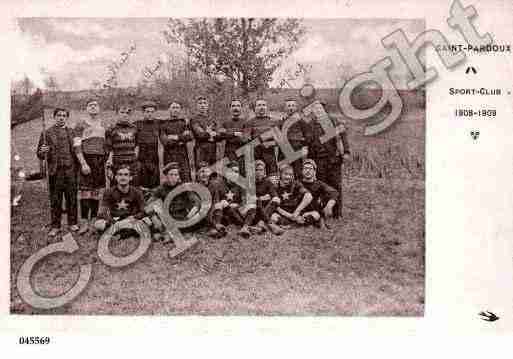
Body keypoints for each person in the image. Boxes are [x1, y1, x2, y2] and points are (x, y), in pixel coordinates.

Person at [37, 107, 79, 237]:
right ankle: (56, 226)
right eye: (59, 115)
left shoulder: (72, 132)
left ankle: (72, 223)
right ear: (54, 117)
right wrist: (43, 151)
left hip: (71, 170)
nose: (61, 117)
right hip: (55, 171)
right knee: (56, 199)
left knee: (72, 197)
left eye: (64, 115)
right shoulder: (47, 133)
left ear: (67, 118)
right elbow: (39, 153)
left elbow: (77, 151)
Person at [305, 100, 350, 218]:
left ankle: (337, 213)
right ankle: (321, 212)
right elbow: (307, 142)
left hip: (333, 159)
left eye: (320, 108)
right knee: (321, 185)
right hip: (318, 160)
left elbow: (343, 136)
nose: (318, 110)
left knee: (336, 185)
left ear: (324, 109)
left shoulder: (334, 121)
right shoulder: (310, 125)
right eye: (315, 109)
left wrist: (346, 152)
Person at [73, 98, 107, 235]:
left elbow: (106, 145)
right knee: (85, 192)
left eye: (95, 105)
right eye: (90, 105)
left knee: (95, 193)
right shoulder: (80, 124)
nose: (93, 107)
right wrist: (83, 163)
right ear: (86, 108)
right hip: (86, 159)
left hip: (99, 161)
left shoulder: (104, 124)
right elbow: (76, 145)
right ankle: (84, 222)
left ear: (99, 108)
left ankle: (93, 220)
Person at [146, 162, 200, 243]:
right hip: (167, 218)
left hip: (182, 217)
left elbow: (196, 201)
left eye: (176, 175)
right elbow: (149, 204)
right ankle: (166, 234)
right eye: (171, 174)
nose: (173, 177)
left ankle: (166, 235)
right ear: (166, 176)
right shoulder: (160, 189)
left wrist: (191, 213)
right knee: (150, 221)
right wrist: (154, 217)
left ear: (178, 176)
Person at [94, 165, 146, 233]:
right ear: (116, 177)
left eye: (126, 175)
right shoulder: (109, 192)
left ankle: (119, 231)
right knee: (98, 224)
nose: (123, 177)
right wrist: (113, 221)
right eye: (120, 174)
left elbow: (143, 211)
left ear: (130, 178)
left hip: (131, 219)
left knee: (147, 221)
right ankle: (125, 231)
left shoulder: (137, 192)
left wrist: (134, 217)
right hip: (115, 220)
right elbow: (102, 212)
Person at [215, 161, 259, 238]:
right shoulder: (219, 184)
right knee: (223, 203)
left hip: (237, 211)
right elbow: (216, 203)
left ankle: (245, 227)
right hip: (225, 213)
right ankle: (246, 226)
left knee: (252, 205)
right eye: (233, 171)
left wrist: (238, 205)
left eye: (237, 172)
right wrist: (226, 205)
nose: (235, 174)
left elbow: (244, 202)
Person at [243, 98, 282, 176]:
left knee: (272, 178)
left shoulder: (274, 122)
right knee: (255, 179)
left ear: (267, 107)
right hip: (254, 155)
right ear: (255, 108)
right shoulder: (249, 123)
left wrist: (270, 143)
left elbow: (280, 141)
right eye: (259, 105)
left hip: (270, 156)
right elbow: (245, 139)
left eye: (264, 105)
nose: (261, 107)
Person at [105, 104, 139, 187]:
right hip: (117, 164)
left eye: (127, 113)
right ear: (117, 114)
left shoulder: (134, 128)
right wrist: (109, 168)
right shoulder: (111, 129)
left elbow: (137, 146)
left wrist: (135, 160)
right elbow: (108, 149)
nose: (125, 115)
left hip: (131, 164)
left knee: (132, 189)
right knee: (115, 189)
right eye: (122, 112)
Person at [159, 101, 193, 181]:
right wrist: (181, 140)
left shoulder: (184, 123)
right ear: (169, 109)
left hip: (183, 156)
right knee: (171, 181)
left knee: (186, 179)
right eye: (173, 107)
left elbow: (190, 137)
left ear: (180, 110)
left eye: (177, 108)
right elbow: (165, 142)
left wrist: (176, 137)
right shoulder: (163, 124)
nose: (175, 110)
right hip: (169, 156)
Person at [301, 158, 339, 229]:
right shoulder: (298, 183)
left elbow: (334, 192)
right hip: (300, 211)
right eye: (305, 168)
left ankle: (319, 220)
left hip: (315, 211)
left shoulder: (319, 184)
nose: (308, 171)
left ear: (314, 172)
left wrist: (329, 205)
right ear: (302, 171)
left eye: (310, 169)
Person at [195, 161, 228, 238]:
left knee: (218, 205)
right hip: (200, 213)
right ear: (197, 174)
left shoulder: (213, 185)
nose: (204, 174)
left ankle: (216, 226)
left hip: (213, 213)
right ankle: (215, 226)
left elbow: (220, 199)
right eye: (201, 172)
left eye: (206, 171)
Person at [278, 98, 309, 179]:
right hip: (284, 150)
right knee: (283, 170)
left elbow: (307, 135)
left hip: (296, 150)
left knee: (297, 172)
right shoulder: (281, 121)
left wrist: (304, 146)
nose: (291, 108)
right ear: (285, 108)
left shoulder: (301, 121)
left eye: (293, 105)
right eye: (288, 106)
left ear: (296, 108)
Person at [253, 160, 284, 235]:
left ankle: (261, 224)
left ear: (264, 171)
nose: (258, 172)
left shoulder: (268, 182)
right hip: (254, 211)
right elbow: (250, 198)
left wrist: (267, 197)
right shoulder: (250, 183)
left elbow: (275, 196)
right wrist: (262, 197)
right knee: (258, 202)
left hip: (267, 209)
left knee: (276, 200)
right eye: (256, 170)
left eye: (261, 170)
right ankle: (269, 224)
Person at [190, 96, 222, 167]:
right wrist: (210, 133)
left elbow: (219, 135)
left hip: (213, 150)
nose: (202, 105)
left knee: (213, 173)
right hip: (201, 150)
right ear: (197, 106)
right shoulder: (194, 120)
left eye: (204, 103)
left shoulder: (212, 119)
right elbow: (200, 135)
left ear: (208, 105)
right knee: (202, 173)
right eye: (200, 103)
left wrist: (210, 133)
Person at [219, 99, 248, 175]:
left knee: (242, 176)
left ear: (241, 108)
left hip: (242, 153)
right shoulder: (225, 123)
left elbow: (245, 138)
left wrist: (227, 132)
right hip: (229, 153)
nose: (236, 108)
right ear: (230, 108)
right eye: (233, 106)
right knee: (228, 176)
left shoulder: (246, 122)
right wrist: (235, 133)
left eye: (238, 106)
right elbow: (220, 135)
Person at [136, 100, 161, 189]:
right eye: (147, 112)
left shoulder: (159, 123)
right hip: (142, 158)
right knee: (142, 184)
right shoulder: (137, 124)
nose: (150, 114)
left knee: (154, 185)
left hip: (154, 158)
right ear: (143, 113)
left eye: (152, 112)